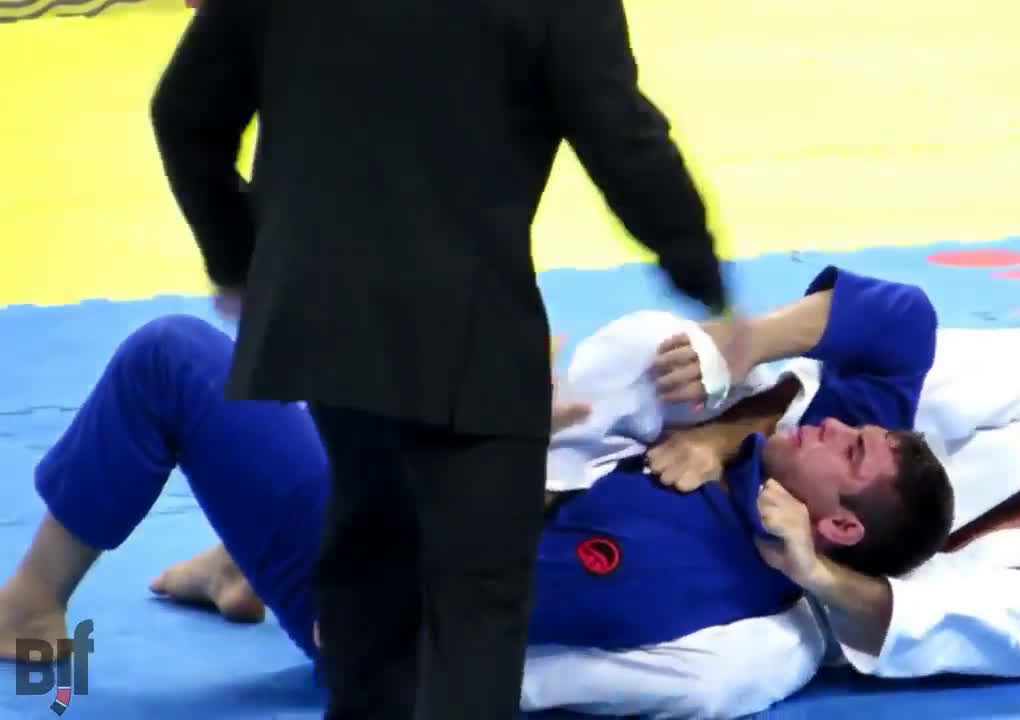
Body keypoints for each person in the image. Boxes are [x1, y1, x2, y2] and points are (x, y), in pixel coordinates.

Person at [148, 0, 747, 717]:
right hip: (465, 327)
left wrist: (241, 257)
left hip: (319, 306)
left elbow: (185, 113)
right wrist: (701, 273)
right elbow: (621, 137)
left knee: (370, 543)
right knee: (475, 601)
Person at [0, 306, 953, 711]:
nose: (836, 423)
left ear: (838, 527)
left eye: (853, 449)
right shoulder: (783, 461)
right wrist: (746, 345)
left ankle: (31, 609)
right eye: (858, 426)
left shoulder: (683, 568)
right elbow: (905, 319)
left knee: (173, 358)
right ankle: (236, 565)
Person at [516, 305, 1020, 715]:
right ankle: (528, 456)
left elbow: (933, 626)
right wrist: (719, 438)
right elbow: (861, 382)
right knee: (660, 348)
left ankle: (509, 681)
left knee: (722, 681)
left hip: (810, 600)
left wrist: (814, 571)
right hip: (772, 454)